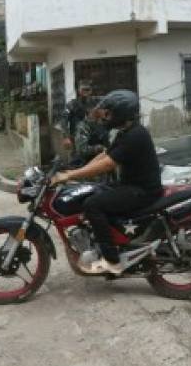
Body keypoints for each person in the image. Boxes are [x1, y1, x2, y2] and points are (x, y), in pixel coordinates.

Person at [50, 89, 161, 275]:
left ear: (121, 113)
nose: (106, 116)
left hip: (142, 191)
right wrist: (75, 172)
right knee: (94, 190)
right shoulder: (126, 132)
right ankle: (108, 240)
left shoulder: (135, 136)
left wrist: (71, 176)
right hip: (129, 185)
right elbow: (104, 155)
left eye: (109, 112)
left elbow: (108, 164)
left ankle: (112, 260)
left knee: (93, 205)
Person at [59, 81, 96, 152]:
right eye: (83, 90)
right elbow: (64, 120)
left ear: (91, 91)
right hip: (76, 139)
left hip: (93, 139)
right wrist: (65, 137)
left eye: (87, 90)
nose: (85, 92)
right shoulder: (72, 104)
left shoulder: (95, 103)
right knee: (76, 161)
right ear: (79, 91)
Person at [72, 105, 110, 169]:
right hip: (89, 166)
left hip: (103, 165)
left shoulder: (103, 124)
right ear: (95, 110)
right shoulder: (83, 127)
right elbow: (81, 149)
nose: (105, 111)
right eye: (103, 109)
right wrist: (100, 148)